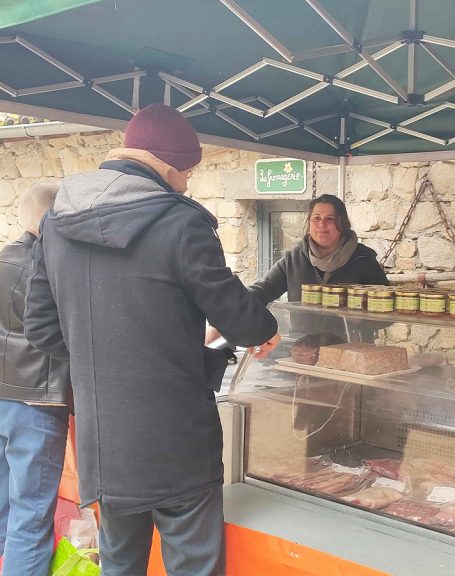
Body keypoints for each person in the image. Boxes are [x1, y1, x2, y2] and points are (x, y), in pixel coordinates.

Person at [24, 103, 281, 576]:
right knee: (193, 564)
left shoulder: (57, 223)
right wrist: (266, 330)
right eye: (186, 171)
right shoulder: (181, 222)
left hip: (105, 442)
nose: (186, 181)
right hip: (178, 439)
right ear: (164, 164)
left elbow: (40, 327)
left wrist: (100, 361)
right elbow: (237, 315)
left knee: (120, 565)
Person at [0, 183, 70, 576]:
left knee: (4, 506)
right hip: (36, 402)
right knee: (31, 514)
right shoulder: (49, 270)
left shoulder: (2, 259)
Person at [249, 193, 389, 303]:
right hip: (304, 340)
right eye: (316, 218)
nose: (322, 224)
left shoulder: (363, 258)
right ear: (309, 223)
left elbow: (388, 307)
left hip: (353, 339)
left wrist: (361, 318)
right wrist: (232, 299)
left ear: (343, 224)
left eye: (330, 219)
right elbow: (262, 291)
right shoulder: (293, 259)